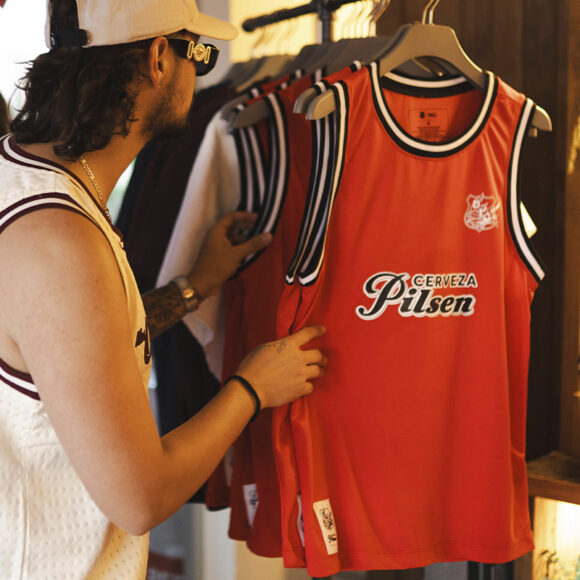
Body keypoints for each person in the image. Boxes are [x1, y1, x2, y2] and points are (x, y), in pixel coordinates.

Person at [0, 0, 326, 577]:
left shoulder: (24, 178)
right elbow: (140, 497)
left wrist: (193, 287)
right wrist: (252, 387)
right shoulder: (59, 241)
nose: (200, 72)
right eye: (199, 54)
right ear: (158, 58)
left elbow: (68, 353)